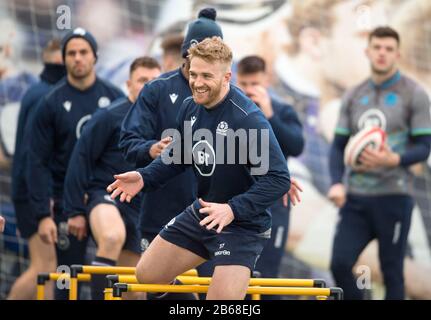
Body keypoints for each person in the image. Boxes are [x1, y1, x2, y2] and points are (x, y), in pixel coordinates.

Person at [108, 36, 301, 300]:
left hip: (242, 226)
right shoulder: (190, 107)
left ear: (226, 77)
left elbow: (279, 179)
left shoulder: (247, 119)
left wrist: (232, 209)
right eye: (193, 74)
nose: (197, 83)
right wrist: (144, 176)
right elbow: (179, 155)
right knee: (147, 275)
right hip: (204, 212)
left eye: (207, 76)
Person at [119, 8, 223, 300]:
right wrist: (151, 149)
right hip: (160, 215)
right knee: (163, 294)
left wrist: (273, 175)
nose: (205, 61)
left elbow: (253, 149)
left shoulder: (231, 99)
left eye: (213, 55)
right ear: (186, 51)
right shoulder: (157, 90)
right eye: (200, 51)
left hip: (213, 218)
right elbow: (127, 140)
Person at [327, 26, 431, 300]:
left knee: (392, 272)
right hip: (356, 200)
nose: (382, 54)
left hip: (394, 198)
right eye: (377, 48)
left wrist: (394, 158)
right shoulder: (353, 94)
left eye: (388, 49)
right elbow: (338, 147)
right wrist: (337, 183)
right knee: (339, 263)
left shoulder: (414, 94)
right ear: (368, 51)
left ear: (397, 54)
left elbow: (424, 146)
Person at [27, 27, 124, 300]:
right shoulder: (50, 103)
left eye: (83, 52)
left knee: (121, 273)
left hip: (107, 198)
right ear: (64, 58)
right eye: (71, 53)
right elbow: (37, 161)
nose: (77, 58)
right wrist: (43, 215)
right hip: (65, 205)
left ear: (95, 56)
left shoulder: (114, 97)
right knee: (65, 278)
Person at [63, 57, 160, 300]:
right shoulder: (108, 115)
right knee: (112, 236)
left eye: (154, 81)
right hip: (104, 194)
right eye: (142, 80)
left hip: (139, 206)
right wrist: (75, 210)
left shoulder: (164, 121)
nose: (148, 86)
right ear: (129, 84)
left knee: (135, 292)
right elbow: (80, 160)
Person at [236, 55, 304, 298]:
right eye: (244, 84)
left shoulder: (282, 109)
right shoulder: (232, 112)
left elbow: (296, 146)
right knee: (234, 274)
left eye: (255, 83)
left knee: (266, 276)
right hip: (240, 201)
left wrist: (269, 114)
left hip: (276, 203)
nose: (249, 90)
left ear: (266, 80)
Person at [7, 39, 66, 300]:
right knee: (44, 267)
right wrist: (38, 200)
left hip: (32, 191)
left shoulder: (41, 91)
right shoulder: (45, 95)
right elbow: (34, 155)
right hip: (32, 192)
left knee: (47, 268)